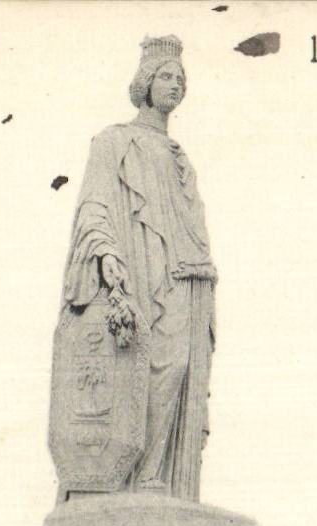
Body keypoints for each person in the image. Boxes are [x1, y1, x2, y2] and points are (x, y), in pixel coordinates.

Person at [58, 35, 216, 499]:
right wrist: (107, 256)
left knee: (180, 369)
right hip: (141, 274)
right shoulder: (115, 142)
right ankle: (130, 479)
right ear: (145, 83)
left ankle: (158, 476)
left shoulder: (181, 157)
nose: (175, 85)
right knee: (147, 368)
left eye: (180, 79)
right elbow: (94, 206)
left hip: (188, 278)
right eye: (166, 76)